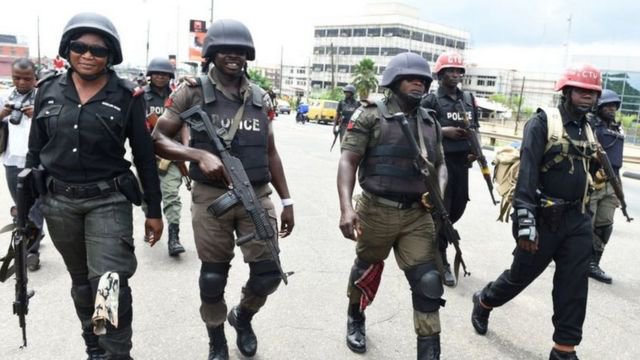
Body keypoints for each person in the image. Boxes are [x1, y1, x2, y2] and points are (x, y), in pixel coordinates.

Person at [152, 18, 294, 360]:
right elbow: (157, 138)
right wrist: (198, 154)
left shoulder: (260, 97)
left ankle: (242, 316)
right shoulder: (191, 91)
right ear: (212, 53)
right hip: (211, 197)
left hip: (256, 193)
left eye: (240, 51)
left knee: (269, 273)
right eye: (225, 50)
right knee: (213, 277)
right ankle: (216, 337)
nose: (234, 56)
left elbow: (270, 152)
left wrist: (287, 199)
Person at [26, 12, 163, 359]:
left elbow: (145, 158)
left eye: (97, 50)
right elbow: (34, 153)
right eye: (79, 47)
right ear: (67, 49)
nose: (87, 55)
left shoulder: (128, 97)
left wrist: (154, 210)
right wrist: (28, 212)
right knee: (82, 283)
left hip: (108, 200)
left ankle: (117, 353)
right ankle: (94, 347)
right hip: (59, 204)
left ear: (110, 55)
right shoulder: (47, 91)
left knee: (109, 283)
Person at [470, 64, 602, 360]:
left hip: (578, 220)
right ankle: (485, 301)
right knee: (520, 276)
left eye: (593, 93)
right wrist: (525, 223)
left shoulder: (588, 128)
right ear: (567, 91)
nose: (588, 97)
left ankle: (564, 349)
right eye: (582, 91)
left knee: (573, 287)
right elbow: (527, 176)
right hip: (544, 219)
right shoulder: (543, 123)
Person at [338, 52, 447, 359]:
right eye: (411, 78)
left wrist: (437, 193)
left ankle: (429, 351)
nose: (419, 82)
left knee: (428, 281)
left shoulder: (430, 121)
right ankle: (355, 318)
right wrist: (347, 208)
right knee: (366, 270)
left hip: (417, 213)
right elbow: (348, 161)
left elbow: (440, 165)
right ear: (394, 81)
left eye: (423, 79)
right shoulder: (370, 115)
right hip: (376, 210)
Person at [421, 52, 480, 287]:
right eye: (450, 71)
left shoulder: (467, 98)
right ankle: (441, 259)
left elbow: (475, 125)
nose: (455, 75)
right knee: (442, 212)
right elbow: (421, 127)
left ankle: (434, 240)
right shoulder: (432, 100)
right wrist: (444, 132)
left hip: (462, 164)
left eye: (458, 71)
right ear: (441, 74)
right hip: (440, 164)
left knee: (458, 208)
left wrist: (475, 149)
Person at [1, 58, 44, 271]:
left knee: (35, 207)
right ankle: (31, 237)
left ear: (35, 78)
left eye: (27, 78)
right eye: (16, 77)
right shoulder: (4, 96)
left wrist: (36, 115)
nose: (21, 82)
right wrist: (3, 113)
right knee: (21, 206)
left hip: (36, 160)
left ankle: (32, 252)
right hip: (11, 160)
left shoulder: (43, 97)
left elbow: (54, 125)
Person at [144, 57, 188, 256]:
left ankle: (174, 237)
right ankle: (151, 220)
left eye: (164, 74)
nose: (160, 77)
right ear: (150, 75)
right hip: (147, 153)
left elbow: (186, 123)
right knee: (147, 195)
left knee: (171, 195)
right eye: (157, 73)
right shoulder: (141, 97)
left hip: (171, 154)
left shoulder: (177, 97)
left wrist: (185, 148)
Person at [588, 89, 625, 284]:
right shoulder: (589, 125)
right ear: (598, 106)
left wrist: (619, 188)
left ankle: (593, 263)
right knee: (586, 223)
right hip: (593, 180)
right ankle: (573, 258)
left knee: (604, 225)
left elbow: (617, 161)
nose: (612, 109)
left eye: (615, 106)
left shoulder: (617, 129)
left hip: (612, 183)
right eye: (607, 105)